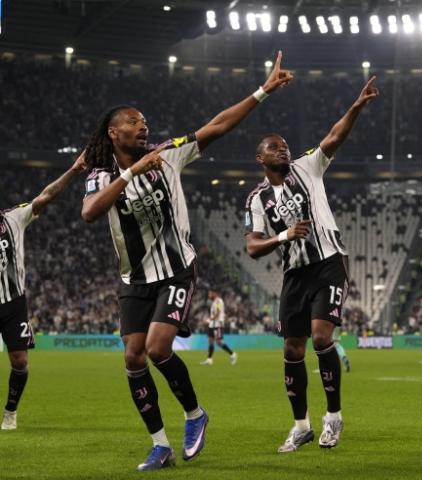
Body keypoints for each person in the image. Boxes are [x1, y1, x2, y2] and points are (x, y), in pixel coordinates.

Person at [81, 51, 292, 470]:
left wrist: (263, 91)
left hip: (176, 270)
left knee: (157, 348)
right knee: (133, 357)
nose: (143, 125)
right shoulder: (101, 175)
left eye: (144, 121)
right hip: (134, 279)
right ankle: (160, 445)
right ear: (114, 132)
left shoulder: (168, 154)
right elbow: (89, 212)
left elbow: (218, 125)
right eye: (134, 121)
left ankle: (195, 415)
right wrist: (131, 172)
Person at [244, 77, 379, 453]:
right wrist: (283, 237)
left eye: (285, 145)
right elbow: (253, 247)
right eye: (274, 147)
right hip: (295, 274)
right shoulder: (256, 199)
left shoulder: (307, 167)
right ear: (261, 158)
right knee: (292, 349)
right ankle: (301, 425)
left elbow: (334, 136)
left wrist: (356, 107)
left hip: (329, 262)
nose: (283, 149)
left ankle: (333, 417)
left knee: (321, 337)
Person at [1, 155, 86, 430]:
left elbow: (46, 196)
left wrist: (73, 170)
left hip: (13, 304)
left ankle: (10, 412)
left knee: (20, 361)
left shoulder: (13, 218)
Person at [200, 289, 237, 365]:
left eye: (210, 293)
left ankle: (233, 354)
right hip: (212, 324)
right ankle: (209, 359)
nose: (209, 295)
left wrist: (208, 320)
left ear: (214, 293)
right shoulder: (215, 302)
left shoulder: (218, 301)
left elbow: (218, 313)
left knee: (219, 342)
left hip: (217, 325)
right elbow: (219, 313)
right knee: (210, 341)